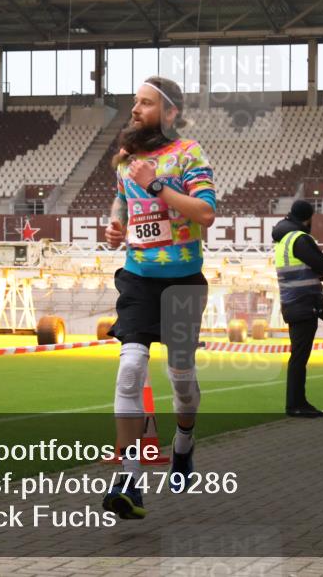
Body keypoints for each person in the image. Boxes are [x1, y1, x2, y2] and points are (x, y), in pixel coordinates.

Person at [101, 76, 216, 519]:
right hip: (138, 279)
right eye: (135, 102)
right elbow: (121, 205)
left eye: (146, 104)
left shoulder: (188, 154)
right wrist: (115, 227)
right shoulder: (124, 161)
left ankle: (184, 443)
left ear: (169, 114)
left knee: (181, 382)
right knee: (131, 369)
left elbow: (205, 214)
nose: (135, 110)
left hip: (183, 283)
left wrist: (156, 186)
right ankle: (128, 479)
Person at [272, 199, 323, 418]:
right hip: (303, 303)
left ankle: (297, 402)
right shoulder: (299, 238)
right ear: (307, 218)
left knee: (298, 355)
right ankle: (296, 404)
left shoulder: (282, 240)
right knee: (299, 356)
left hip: (292, 303)